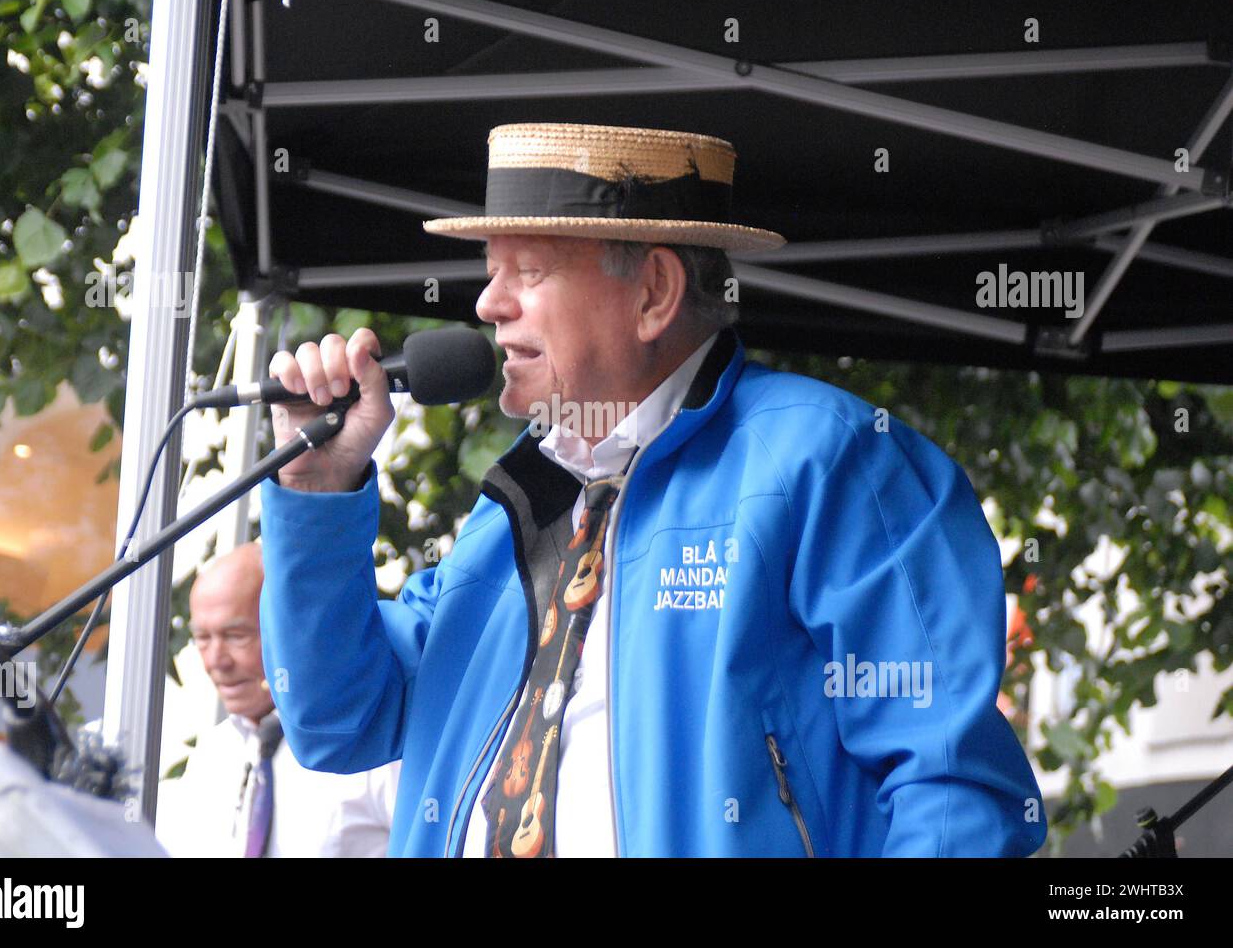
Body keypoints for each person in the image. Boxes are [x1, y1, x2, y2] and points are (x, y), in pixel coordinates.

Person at [258, 122, 1047, 857]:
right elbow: (339, 720)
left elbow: (953, 793)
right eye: (492, 271)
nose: (488, 304)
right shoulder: (514, 509)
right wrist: (319, 490)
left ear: (654, 294)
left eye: (528, 271)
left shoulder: (826, 460)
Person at [155, 542, 400, 857]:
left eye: (236, 636)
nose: (216, 661)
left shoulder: (374, 747)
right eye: (202, 638)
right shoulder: (213, 756)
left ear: (290, 629)